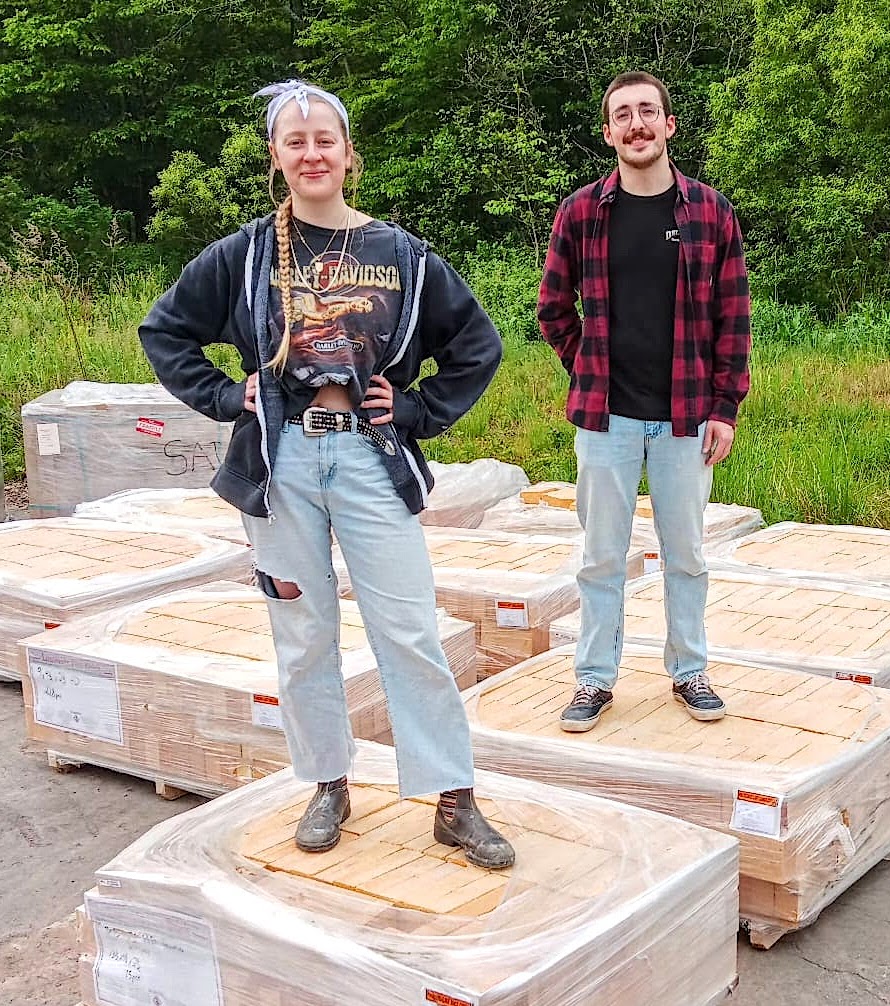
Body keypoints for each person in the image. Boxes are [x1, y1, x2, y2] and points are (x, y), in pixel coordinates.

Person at [139, 79, 515, 869]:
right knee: (303, 633)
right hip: (281, 466)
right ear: (276, 157)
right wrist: (221, 393)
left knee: (409, 629)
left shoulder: (401, 254)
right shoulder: (243, 253)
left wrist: (414, 410)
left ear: (349, 153)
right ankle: (327, 783)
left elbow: (477, 345)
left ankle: (453, 798)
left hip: (369, 460)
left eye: (325, 140)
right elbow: (166, 329)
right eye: (295, 141)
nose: (312, 153)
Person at [537, 70, 751, 731]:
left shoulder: (711, 213)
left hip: (687, 420)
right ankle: (595, 680)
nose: (637, 124)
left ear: (668, 126)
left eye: (648, 112)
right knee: (601, 556)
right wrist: (588, 367)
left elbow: (734, 318)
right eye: (623, 114)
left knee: (685, 553)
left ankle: (689, 671)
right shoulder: (579, 213)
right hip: (608, 421)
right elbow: (552, 309)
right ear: (608, 133)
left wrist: (725, 406)